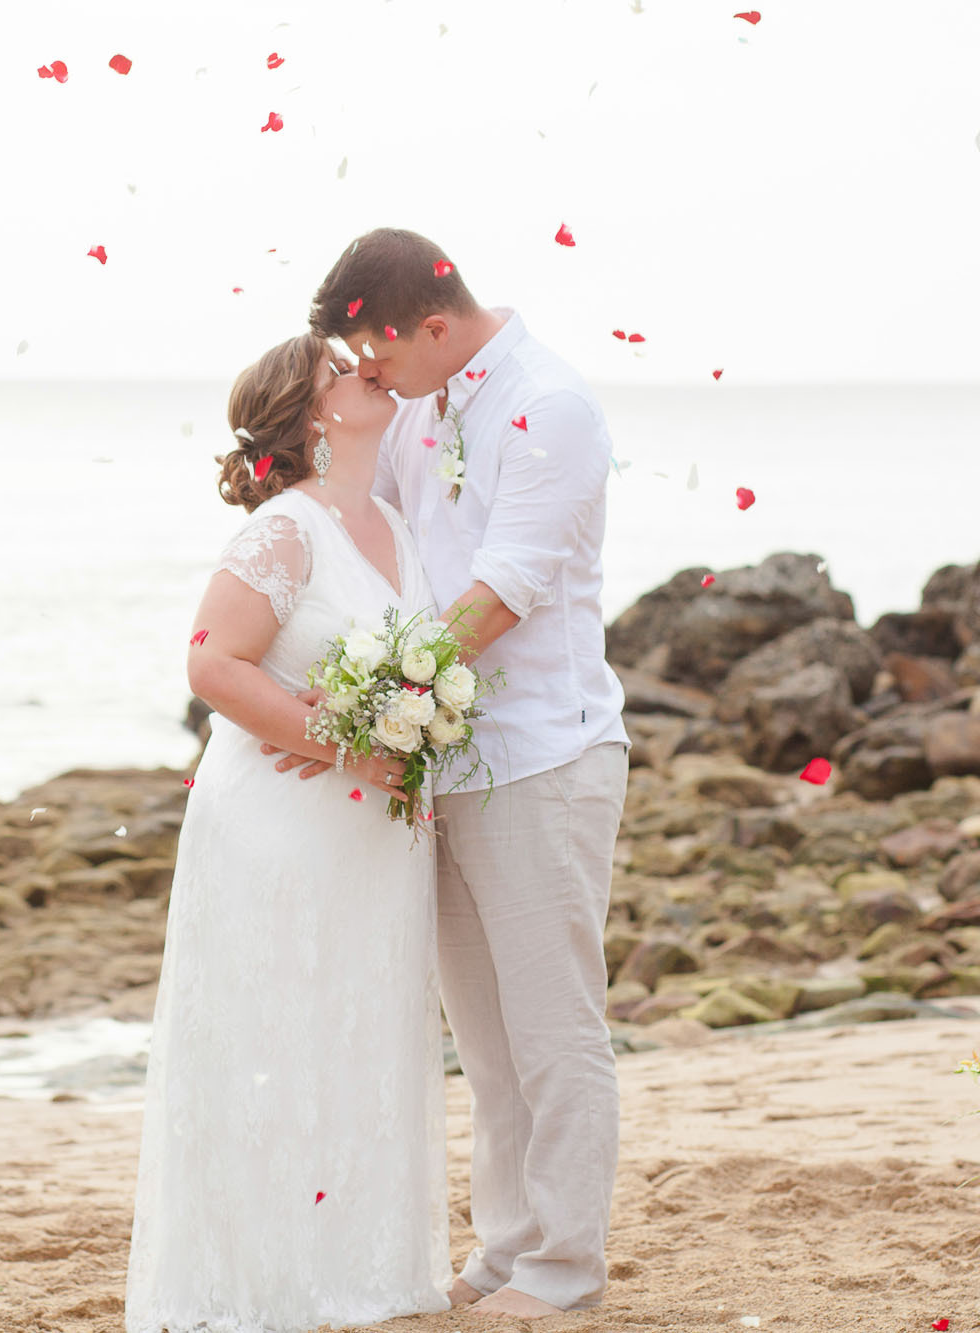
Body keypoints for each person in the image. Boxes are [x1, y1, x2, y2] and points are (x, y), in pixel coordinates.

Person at [271, 228, 631, 1317]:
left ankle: (565, 1264)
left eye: (376, 363)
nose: (371, 384)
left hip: (541, 752)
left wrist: (362, 704)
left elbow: (500, 593)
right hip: (445, 758)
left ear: (431, 326)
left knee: (552, 1025)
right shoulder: (422, 403)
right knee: (480, 1032)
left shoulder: (551, 406)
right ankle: (507, 1243)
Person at [123, 333, 451, 1333]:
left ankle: (360, 1271)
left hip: (373, 833)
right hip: (278, 825)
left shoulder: (389, 518)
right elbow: (213, 665)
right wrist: (349, 746)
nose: (371, 372)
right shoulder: (283, 531)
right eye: (345, 369)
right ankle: (260, 1286)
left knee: (362, 1029)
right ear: (312, 414)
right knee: (275, 1035)